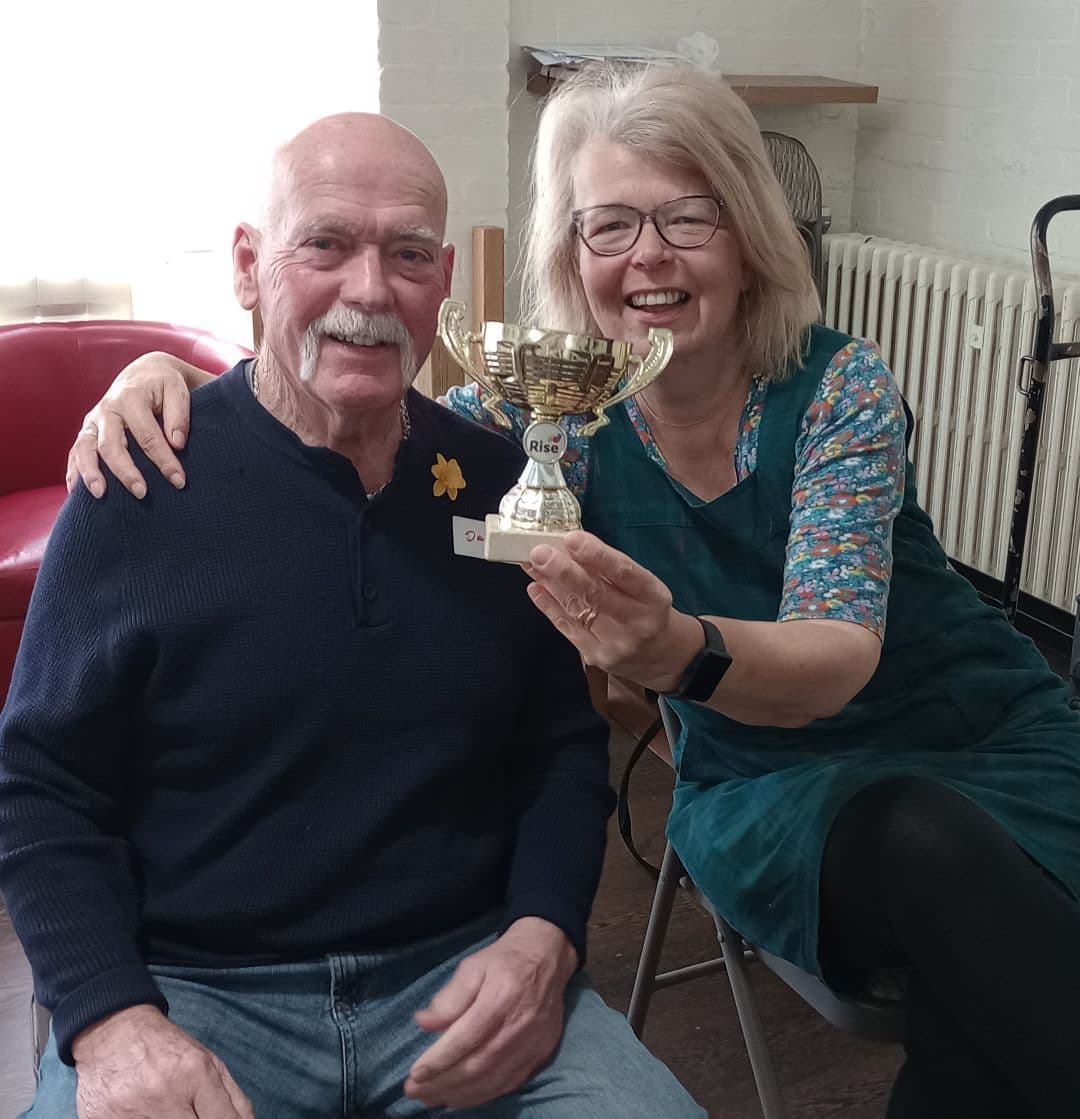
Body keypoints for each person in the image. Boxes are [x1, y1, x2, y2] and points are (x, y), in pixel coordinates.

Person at [64, 67, 1080, 1118]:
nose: (650, 254)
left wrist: (678, 650)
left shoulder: (838, 388)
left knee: (980, 1000)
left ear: (751, 238)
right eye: (610, 226)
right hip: (774, 784)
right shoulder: (555, 419)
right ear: (572, 254)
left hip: (978, 735)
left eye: (691, 216)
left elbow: (834, 658)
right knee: (961, 905)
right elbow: (351, 384)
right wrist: (167, 377)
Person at [0, 110, 708, 1119]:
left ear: (445, 282)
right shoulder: (137, 481)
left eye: (408, 254)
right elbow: (41, 785)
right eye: (325, 244)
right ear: (250, 267)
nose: (370, 291)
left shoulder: (506, 485)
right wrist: (112, 1021)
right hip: (199, 992)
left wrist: (542, 937)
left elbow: (558, 748)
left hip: (458, 980)